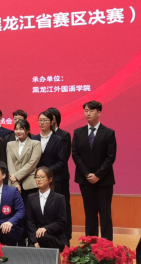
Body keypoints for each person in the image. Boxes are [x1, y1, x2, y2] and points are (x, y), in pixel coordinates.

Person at [72, 101, 116, 241]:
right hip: (85, 180)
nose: (88, 113)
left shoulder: (108, 132)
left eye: (91, 110)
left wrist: (98, 175)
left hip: (104, 181)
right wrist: (87, 174)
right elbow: (75, 155)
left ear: (99, 112)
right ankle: (90, 245)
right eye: (86, 110)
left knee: (105, 214)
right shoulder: (78, 132)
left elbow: (110, 157)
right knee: (90, 214)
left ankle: (107, 245)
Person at [27, 167, 67, 252]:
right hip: (36, 237)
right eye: (37, 177)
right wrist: (35, 241)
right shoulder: (31, 197)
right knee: (29, 251)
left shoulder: (59, 198)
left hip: (55, 237)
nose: (39, 179)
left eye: (42, 177)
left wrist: (46, 228)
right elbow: (30, 221)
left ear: (50, 179)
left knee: (43, 237)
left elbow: (62, 221)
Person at [47, 107, 73, 241]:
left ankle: (66, 236)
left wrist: (48, 172)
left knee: (63, 206)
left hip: (60, 177)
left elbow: (64, 157)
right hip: (45, 178)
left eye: (49, 118)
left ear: (55, 119)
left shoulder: (64, 135)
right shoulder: (41, 136)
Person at [32, 111, 67, 202]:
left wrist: (47, 172)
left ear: (51, 122)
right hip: (37, 179)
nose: (42, 122)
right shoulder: (34, 139)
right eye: (40, 120)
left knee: (53, 205)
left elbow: (61, 161)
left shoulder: (58, 139)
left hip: (53, 178)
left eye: (45, 120)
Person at [7, 119, 42, 204]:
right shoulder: (10, 144)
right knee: (15, 209)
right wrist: (15, 182)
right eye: (16, 129)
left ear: (28, 130)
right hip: (13, 183)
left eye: (21, 129)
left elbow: (32, 163)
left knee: (30, 208)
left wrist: (16, 176)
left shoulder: (36, 144)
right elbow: (10, 163)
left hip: (30, 183)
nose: (18, 131)